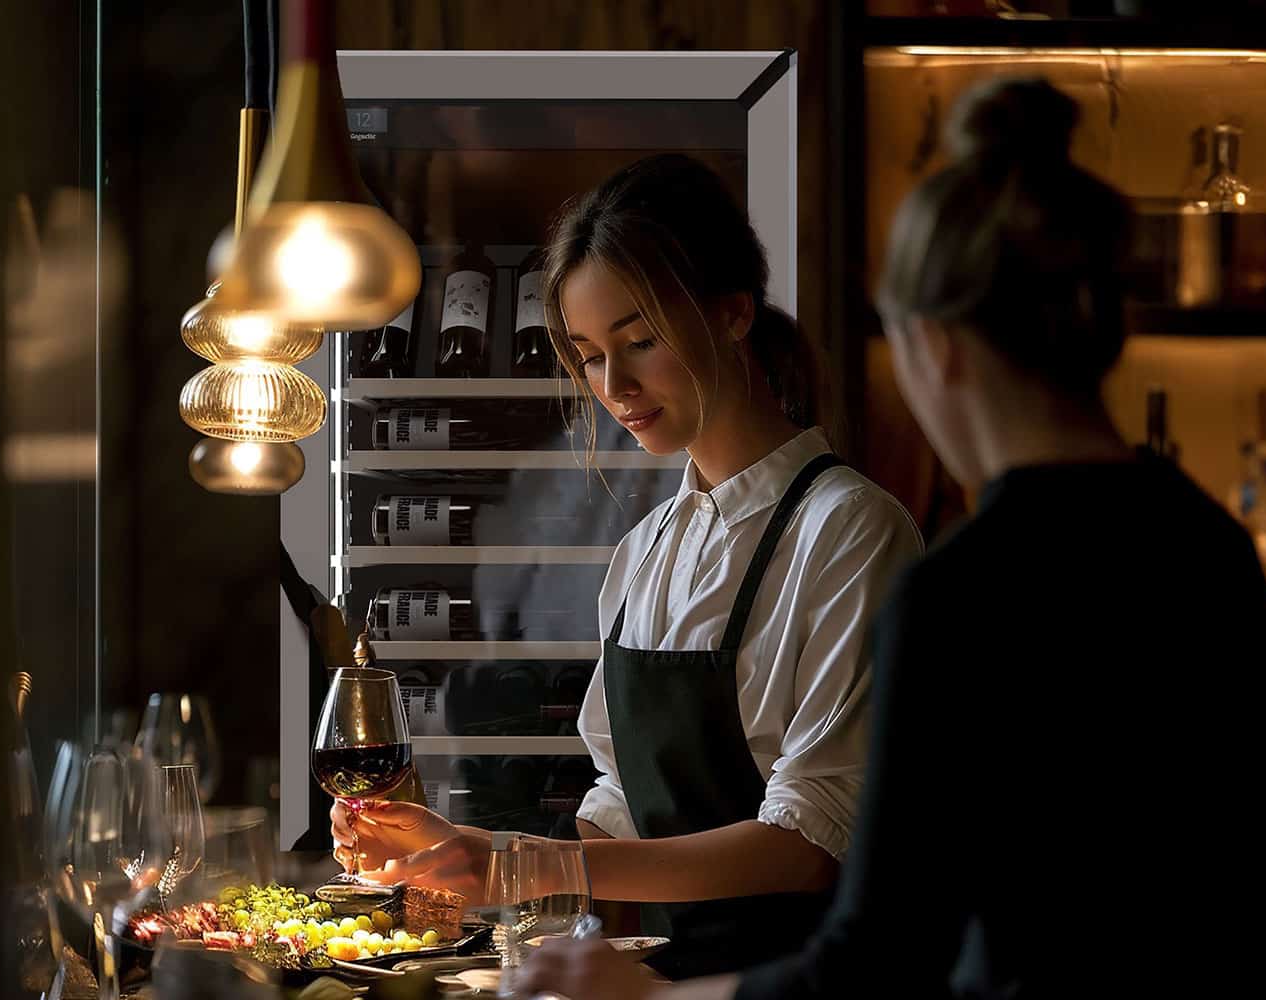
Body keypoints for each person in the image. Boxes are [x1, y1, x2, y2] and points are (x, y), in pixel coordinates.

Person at [518, 77, 1266, 999]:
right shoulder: (1210, 544)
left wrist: (654, 998)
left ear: (935, 347)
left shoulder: (960, 591)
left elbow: (879, 949)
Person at [331, 153, 922, 980]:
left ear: (732, 314)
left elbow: (810, 843)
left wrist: (533, 864)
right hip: (662, 980)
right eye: (588, 354)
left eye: (640, 342)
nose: (616, 386)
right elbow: (617, 813)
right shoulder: (647, 551)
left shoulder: (850, 533)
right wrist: (461, 863)